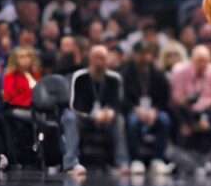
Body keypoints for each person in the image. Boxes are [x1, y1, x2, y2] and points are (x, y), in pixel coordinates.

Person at [61, 45, 129, 176]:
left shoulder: (115, 79)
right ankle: (71, 164)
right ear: (90, 59)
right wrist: (92, 115)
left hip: (106, 119)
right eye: (96, 58)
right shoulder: (80, 76)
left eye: (103, 58)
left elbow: (119, 103)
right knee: (69, 116)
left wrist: (111, 112)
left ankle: (122, 163)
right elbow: (74, 104)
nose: (99, 62)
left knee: (119, 119)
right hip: (84, 118)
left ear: (107, 60)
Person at [122, 41, 174, 175]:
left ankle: (157, 159)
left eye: (147, 54)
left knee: (164, 120)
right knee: (132, 122)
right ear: (134, 55)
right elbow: (122, 98)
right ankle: (136, 160)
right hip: (134, 109)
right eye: (141, 54)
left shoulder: (157, 73)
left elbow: (164, 97)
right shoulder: (126, 72)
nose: (145, 58)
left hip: (153, 110)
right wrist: (135, 109)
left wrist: (154, 110)